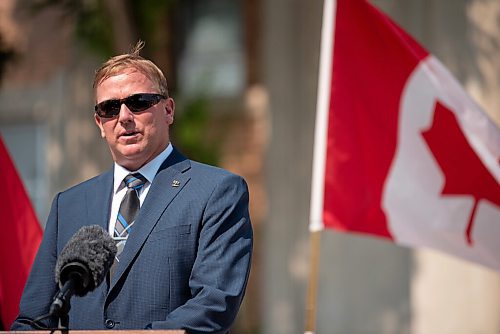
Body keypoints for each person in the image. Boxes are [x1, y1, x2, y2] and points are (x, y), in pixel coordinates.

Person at [11, 41, 253, 333]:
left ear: (168, 110)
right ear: (100, 123)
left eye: (138, 102)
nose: (124, 116)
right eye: (110, 108)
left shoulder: (216, 191)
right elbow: (33, 318)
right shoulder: (69, 204)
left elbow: (214, 304)